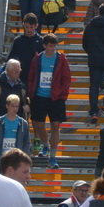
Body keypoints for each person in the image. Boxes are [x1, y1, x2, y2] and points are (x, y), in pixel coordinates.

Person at [25, 34, 72, 168]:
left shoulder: (61, 59)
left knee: (55, 126)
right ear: (44, 46)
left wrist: (63, 94)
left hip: (56, 98)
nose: (53, 48)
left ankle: (52, 156)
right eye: (50, 46)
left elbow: (66, 78)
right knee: (39, 124)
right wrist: (31, 92)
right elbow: (31, 77)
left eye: (54, 46)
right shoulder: (37, 59)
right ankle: (45, 145)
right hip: (39, 96)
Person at [0, 94, 31, 160]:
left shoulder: (23, 123)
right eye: (12, 106)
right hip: (1, 158)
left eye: (17, 106)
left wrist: (22, 156)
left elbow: (27, 142)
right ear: (7, 106)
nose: (15, 109)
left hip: (17, 159)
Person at [5, 16, 46, 81]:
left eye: (31, 27)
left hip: (36, 77)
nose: (29, 30)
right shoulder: (18, 41)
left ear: (36, 26)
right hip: (20, 76)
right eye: (27, 27)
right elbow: (10, 59)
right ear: (23, 25)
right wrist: (0, 70)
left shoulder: (41, 41)